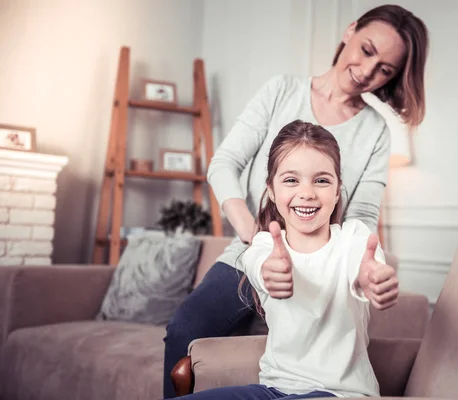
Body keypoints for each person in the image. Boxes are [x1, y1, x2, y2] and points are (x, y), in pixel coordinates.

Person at [163, 4, 429, 397]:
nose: (368, 71)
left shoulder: (375, 130)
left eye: (385, 69)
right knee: (184, 329)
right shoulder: (281, 91)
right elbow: (225, 163)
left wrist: (365, 265)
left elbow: (363, 214)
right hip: (254, 247)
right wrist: (255, 237)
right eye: (367, 50)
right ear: (350, 31)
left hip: (324, 263)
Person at [169, 120, 399, 400]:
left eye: (322, 180)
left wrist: (371, 278)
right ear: (271, 190)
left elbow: (365, 270)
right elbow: (261, 268)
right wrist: (271, 273)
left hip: (339, 394)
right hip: (273, 390)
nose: (307, 192)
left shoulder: (355, 238)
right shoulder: (265, 245)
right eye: (291, 179)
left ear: (338, 190)